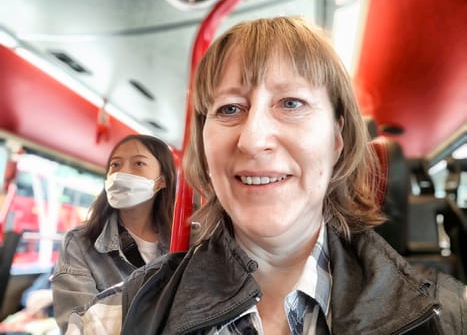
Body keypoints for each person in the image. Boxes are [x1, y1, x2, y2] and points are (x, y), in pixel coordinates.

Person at [66, 16, 466, 334]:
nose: (253, 140)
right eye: (228, 109)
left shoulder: (451, 316)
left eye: (291, 102)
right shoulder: (120, 316)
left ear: (338, 138)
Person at [51, 134, 176, 333]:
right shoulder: (79, 242)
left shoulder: (183, 242)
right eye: (115, 165)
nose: (121, 174)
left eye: (138, 163)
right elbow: (78, 325)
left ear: (161, 181)